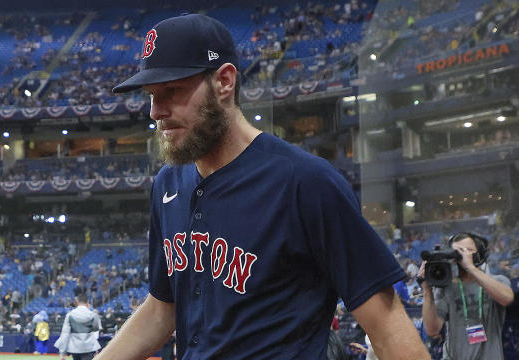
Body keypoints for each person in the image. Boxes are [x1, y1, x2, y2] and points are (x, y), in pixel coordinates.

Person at [97, 13, 429, 360]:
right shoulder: (168, 182)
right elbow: (161, 309)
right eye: (150, 95)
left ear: (224, 82)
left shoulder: (306, 182)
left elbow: (386, 322)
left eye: (171, 91)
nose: (155, 111)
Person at [419, 232, 514, 359]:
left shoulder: (498, 281)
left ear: (479, 255)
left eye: (467, 251)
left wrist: (470, 267)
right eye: (456, 253)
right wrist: (427, 290)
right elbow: (432, 329)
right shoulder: (447, 287)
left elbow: (507, 298)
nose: (461, 257)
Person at [54, 292, 102, 360]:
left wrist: (62, 352)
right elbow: (96, 333)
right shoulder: (94, 315)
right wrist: (96, 348)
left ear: (77, 302)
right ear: (87, 302)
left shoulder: (70, 315)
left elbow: (65, 334)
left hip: (75, 348)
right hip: (89, 348)